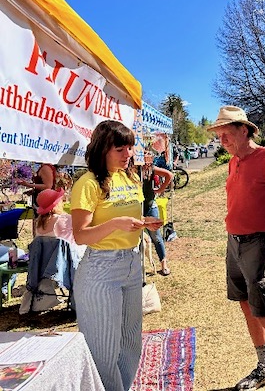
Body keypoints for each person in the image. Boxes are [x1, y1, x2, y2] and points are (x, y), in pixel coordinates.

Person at [71, 120, 163, 391]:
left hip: (132, 264)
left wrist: (145, 222)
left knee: (131, 342)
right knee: (103, 348)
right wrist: (115, 224)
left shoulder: (130, 177)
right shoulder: (88, 183)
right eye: (120, 149)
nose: (128, 155)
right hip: (101, 269)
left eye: (130, 148)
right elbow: (80, 235)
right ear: (102, 149)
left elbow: (126, 218)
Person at [207, 106, 265, 391]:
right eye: (219, 136)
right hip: (234, 242)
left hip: (261, 243)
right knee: (246, 304)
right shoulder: (233, 162)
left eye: (226, 133)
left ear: (245, 129)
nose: (222, 140)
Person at [142, 152, 174, 275]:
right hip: (135, 208)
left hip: (149, 206)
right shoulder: (129, 169)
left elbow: (169, 175)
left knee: (156, 237)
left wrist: (160, 190)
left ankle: (164, 264)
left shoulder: (151, 169)